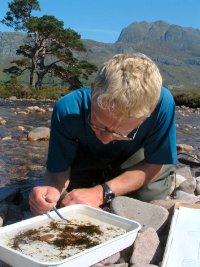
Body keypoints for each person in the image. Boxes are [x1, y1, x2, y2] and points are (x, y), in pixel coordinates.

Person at [29, 53, 177, 215]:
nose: (106, 140)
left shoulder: (163, 104)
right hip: (88, 154)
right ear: (93, 92)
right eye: (99, 125)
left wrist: (101, 193)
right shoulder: (67, 109)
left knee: (146, 197)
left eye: (122, 133)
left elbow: (155, 164)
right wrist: (51, 191)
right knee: (67, 199)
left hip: (135, 156)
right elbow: (58, 170)